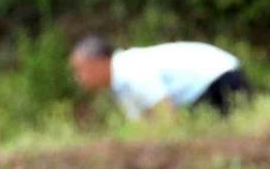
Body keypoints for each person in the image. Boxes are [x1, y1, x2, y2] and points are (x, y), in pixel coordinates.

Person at [70, 34, 251, 120]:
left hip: (219, 78)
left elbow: (166, 113)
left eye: (81, 70)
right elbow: (142, 125)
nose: (79, 78)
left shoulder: (130, 69)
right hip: (212, 82)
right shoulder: (120, 84)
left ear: (100, 63)